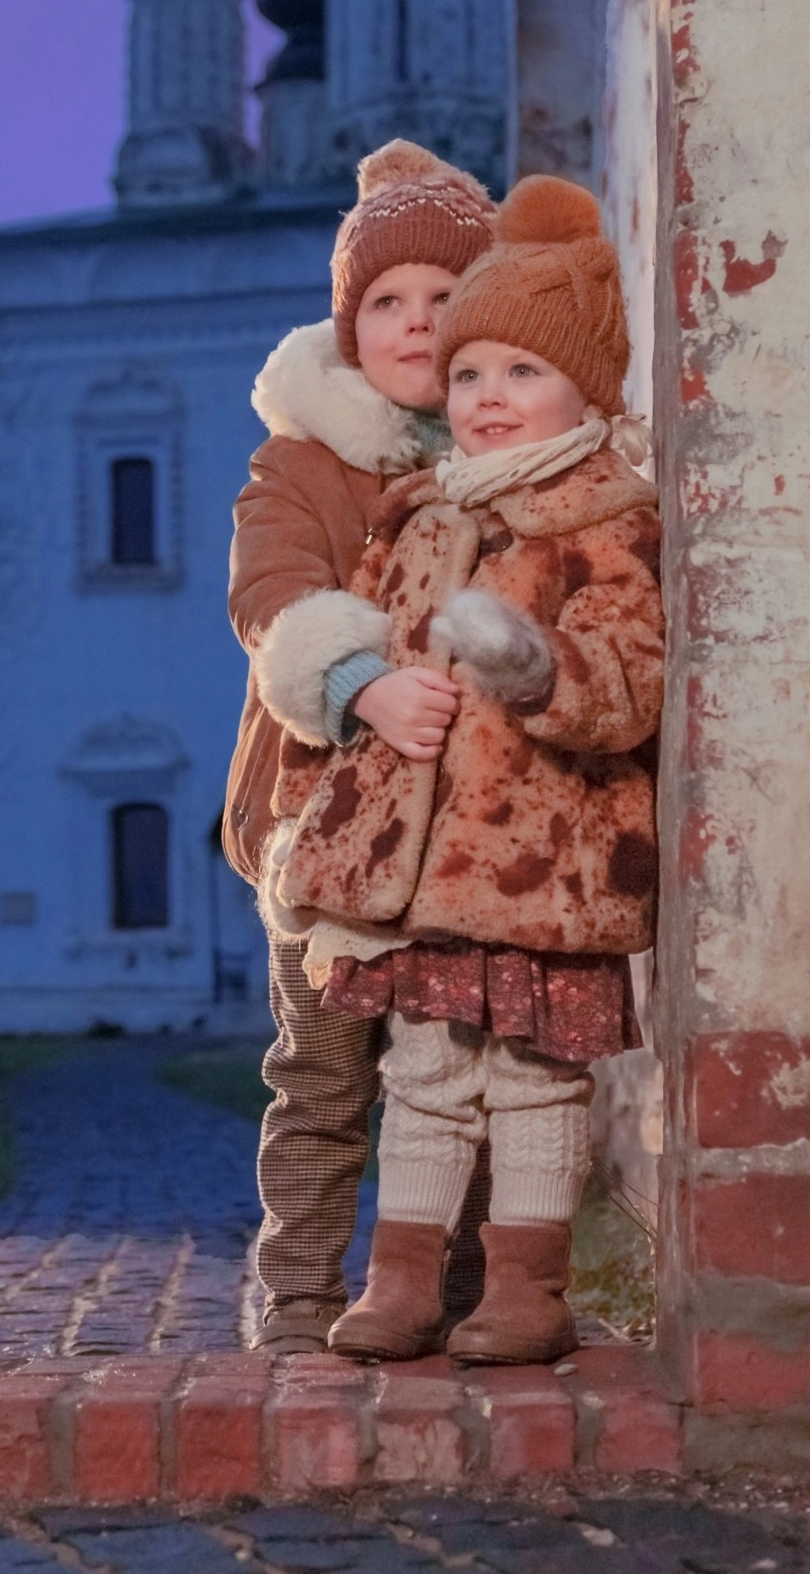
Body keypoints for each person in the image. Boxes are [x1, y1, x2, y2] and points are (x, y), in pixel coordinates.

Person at [274, 173, 661, 1365]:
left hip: (545, 862)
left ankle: (523, 1289)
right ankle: (399, 1286)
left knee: (535, 1083)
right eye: (468, 376)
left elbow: (630, 673)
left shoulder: (607, 516)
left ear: (582, 389)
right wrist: (343, 840)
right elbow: (373, 684)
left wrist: (541, 669)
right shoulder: (421, 514)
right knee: (427, 1072)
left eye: (522, 373)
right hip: (424, 869)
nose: (489, 400)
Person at [223, 140, 496, 1353]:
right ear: (349, 322)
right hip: (318, 814)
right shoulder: (301, 459)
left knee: (465, 1074)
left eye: (445, 300)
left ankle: (464, 1288)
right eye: (386, 300)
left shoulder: (506, 453)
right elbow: (269, 592)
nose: (414, 322)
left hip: (465, 831)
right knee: (326, 1076)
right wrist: (360, 680)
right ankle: (291, 1291)